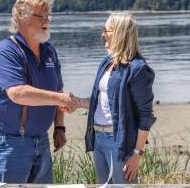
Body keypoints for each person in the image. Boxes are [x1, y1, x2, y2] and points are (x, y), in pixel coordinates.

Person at [0, 0, 77, 184]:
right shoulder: (7, 50)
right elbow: (17, 93)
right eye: (41, 16)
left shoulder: (49, 50)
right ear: (21, 19)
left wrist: (59, 126)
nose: (47, 20)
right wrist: (61, 99)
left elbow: (57, 89)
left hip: (41, 140)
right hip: (8, 142)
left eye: (48, 15)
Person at [67, 12, 156, 183]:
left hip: (120, 142)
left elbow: (146, 116)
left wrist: (137, 154)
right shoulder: (107, 62)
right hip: (99, 138)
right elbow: (102, 102)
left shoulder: (138, 69)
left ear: (119, 33)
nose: (102, 34)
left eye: (105, 30)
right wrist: (77, 102)